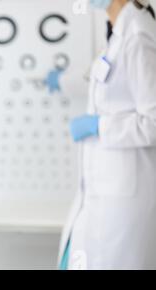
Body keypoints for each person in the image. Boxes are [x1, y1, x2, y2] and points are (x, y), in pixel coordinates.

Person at [60, 0, 156, 270]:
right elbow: (102, 83)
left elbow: (153, 121)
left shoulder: (137, 34)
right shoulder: (119, 30)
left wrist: (99, 126)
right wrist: (63, 82)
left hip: (124, 198)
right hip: (105, 189)